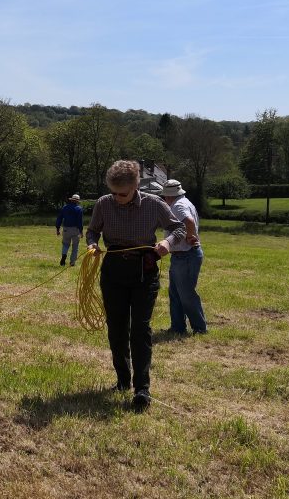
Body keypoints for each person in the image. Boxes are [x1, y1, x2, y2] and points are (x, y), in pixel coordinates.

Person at [86, 160, 186, 410]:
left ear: (135, 187)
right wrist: (92, 244)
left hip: (144, 271)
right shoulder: (103, 204)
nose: (117, 198)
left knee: (140, 330)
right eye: (113, 192)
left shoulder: (154, 205)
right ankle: (122, 380)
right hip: (113, 271)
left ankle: (142, 388)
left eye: (123, 193)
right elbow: (92, 231)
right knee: (116, 328)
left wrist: (168, 243)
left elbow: (179, 228)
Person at [160, 179, 207, 336]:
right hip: (182, 256)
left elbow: (189, 221)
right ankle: (178, 327)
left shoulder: (178, 206)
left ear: (168, 196)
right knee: (175, 293)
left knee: (186, 294)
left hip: (185, 255)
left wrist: (190, 236)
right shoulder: (185, 202)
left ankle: (199, 328)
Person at [55, 193, 84, 266]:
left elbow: (59, 218)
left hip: (66, 229)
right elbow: (79, 221)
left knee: (65, 244)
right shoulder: (79, 209)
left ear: (71, 200)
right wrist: (81, 231)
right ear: (77, 201)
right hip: (75, 229)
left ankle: (64, 255)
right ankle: (72, 262)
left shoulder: (65, 207)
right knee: (75, 246)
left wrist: (58, 229)